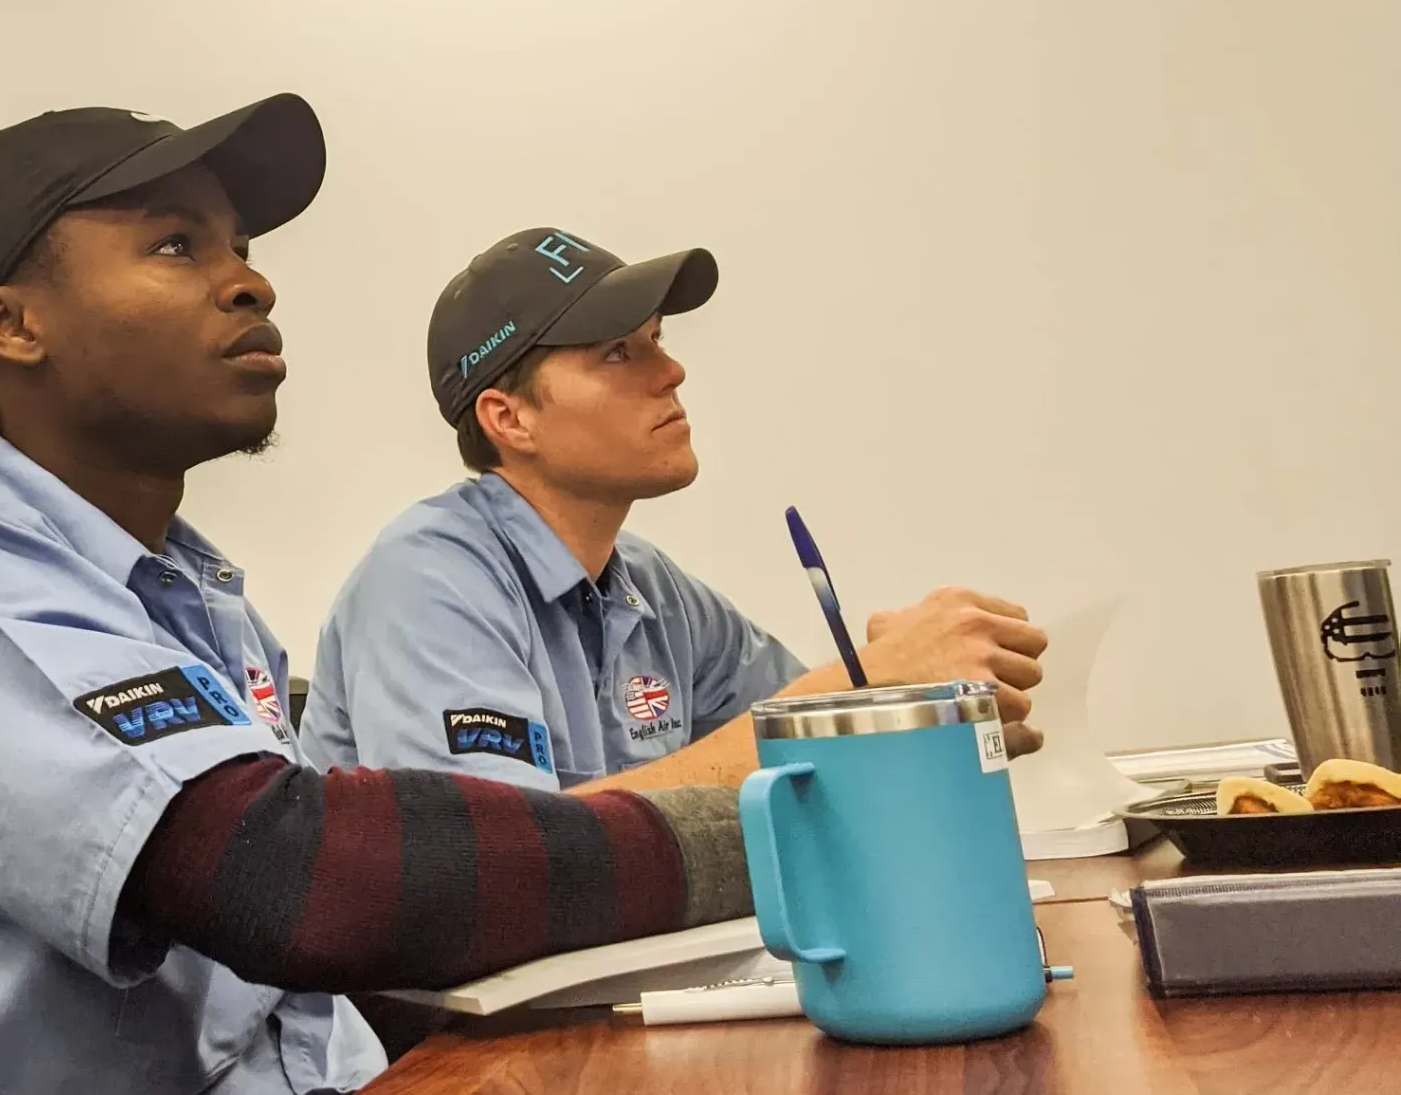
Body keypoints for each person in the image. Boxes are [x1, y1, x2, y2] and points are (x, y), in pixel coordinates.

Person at [0, 100, 764, 1095]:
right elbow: (291, 876)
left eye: (242, 247)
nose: (252, 282)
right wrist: (770, 842)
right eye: (176, 243)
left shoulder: (203, 598)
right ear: (9, 321)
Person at [298, 228, 1049, 790]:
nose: (673, 369)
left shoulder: (652, 588)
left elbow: (809, 769)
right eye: (617, 353)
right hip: (470, 1004)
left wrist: (911, 706)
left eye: (656, 339)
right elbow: (501, 866)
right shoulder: (425, 583)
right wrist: (858, 689)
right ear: (510, 418)